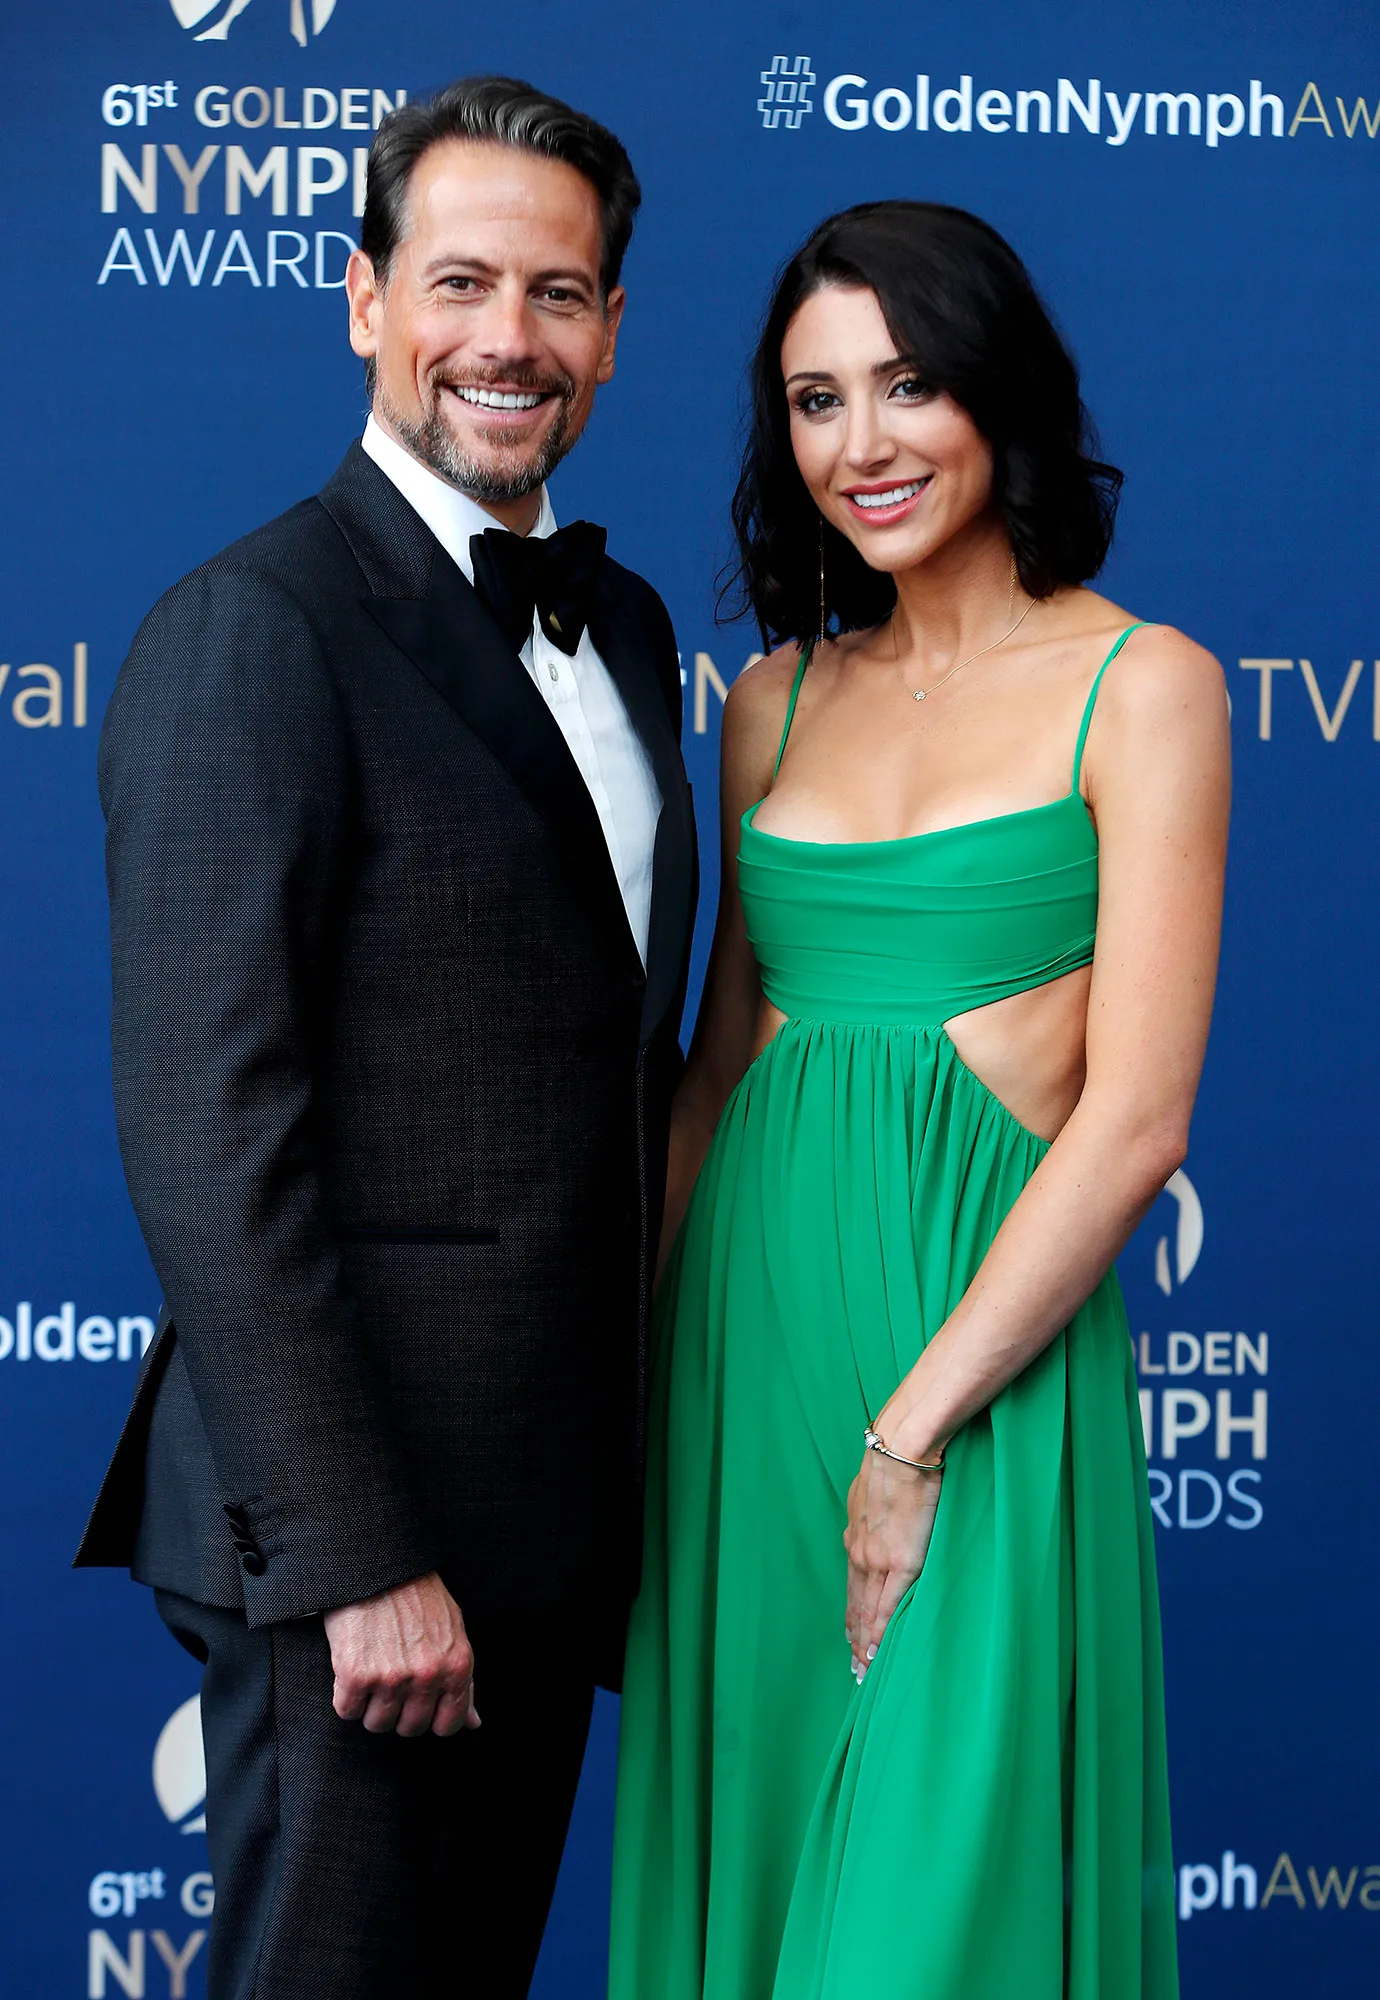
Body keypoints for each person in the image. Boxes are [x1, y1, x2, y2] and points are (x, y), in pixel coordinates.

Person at [75, 75, 696, 2000]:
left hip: (550, 1525)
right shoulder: (254, 627)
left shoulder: (636, 630)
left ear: (612, 331)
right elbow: (207, 1132)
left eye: (559, 293)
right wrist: (356, 1553)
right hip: (360, 1554)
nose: (510, 338)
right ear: (363, 302)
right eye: (460, 282)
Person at [610, 200, 1228, 1998]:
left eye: (907, 386)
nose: (861, 445)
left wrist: (912, 1435)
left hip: (977, 1376)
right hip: (747, 1368)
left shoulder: (1145, 688)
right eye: (816, 402)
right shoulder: (770, 702)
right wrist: (627, 1389)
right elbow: (720, 1071)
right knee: (760, 1875)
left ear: (998, 394)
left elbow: (1139, 1121)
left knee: (925, 1933)